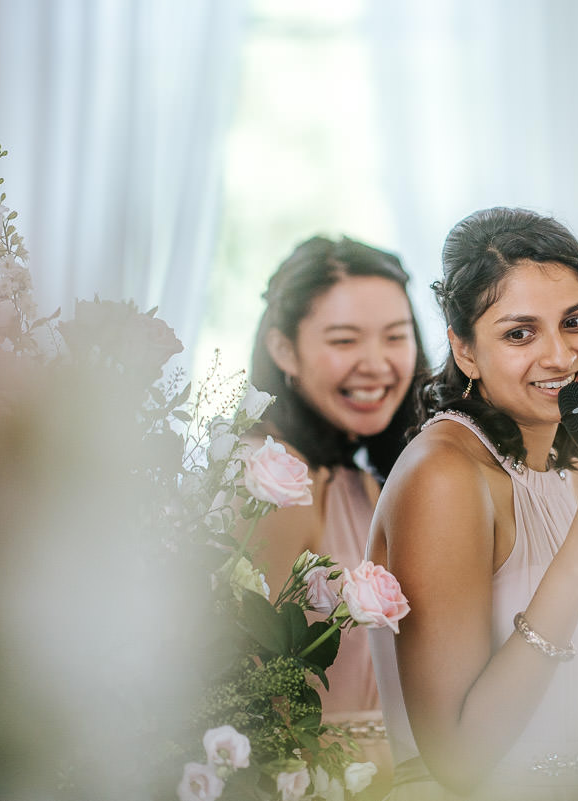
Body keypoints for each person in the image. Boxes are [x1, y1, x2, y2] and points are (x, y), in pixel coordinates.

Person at [366, 207, 578, 800]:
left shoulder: (572, 460)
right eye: (520, 333)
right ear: (465, 352)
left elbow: (556, 703)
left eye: (576, 322)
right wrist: (577, 560)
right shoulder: (443, 475)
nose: (560, 357)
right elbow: (459, 759)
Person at [246, 235, 429, 778]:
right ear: (283, 350)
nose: (376, 364)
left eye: (396, 337)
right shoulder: (271, 482)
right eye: (345, 340)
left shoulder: (361, 480)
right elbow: (233, 688)